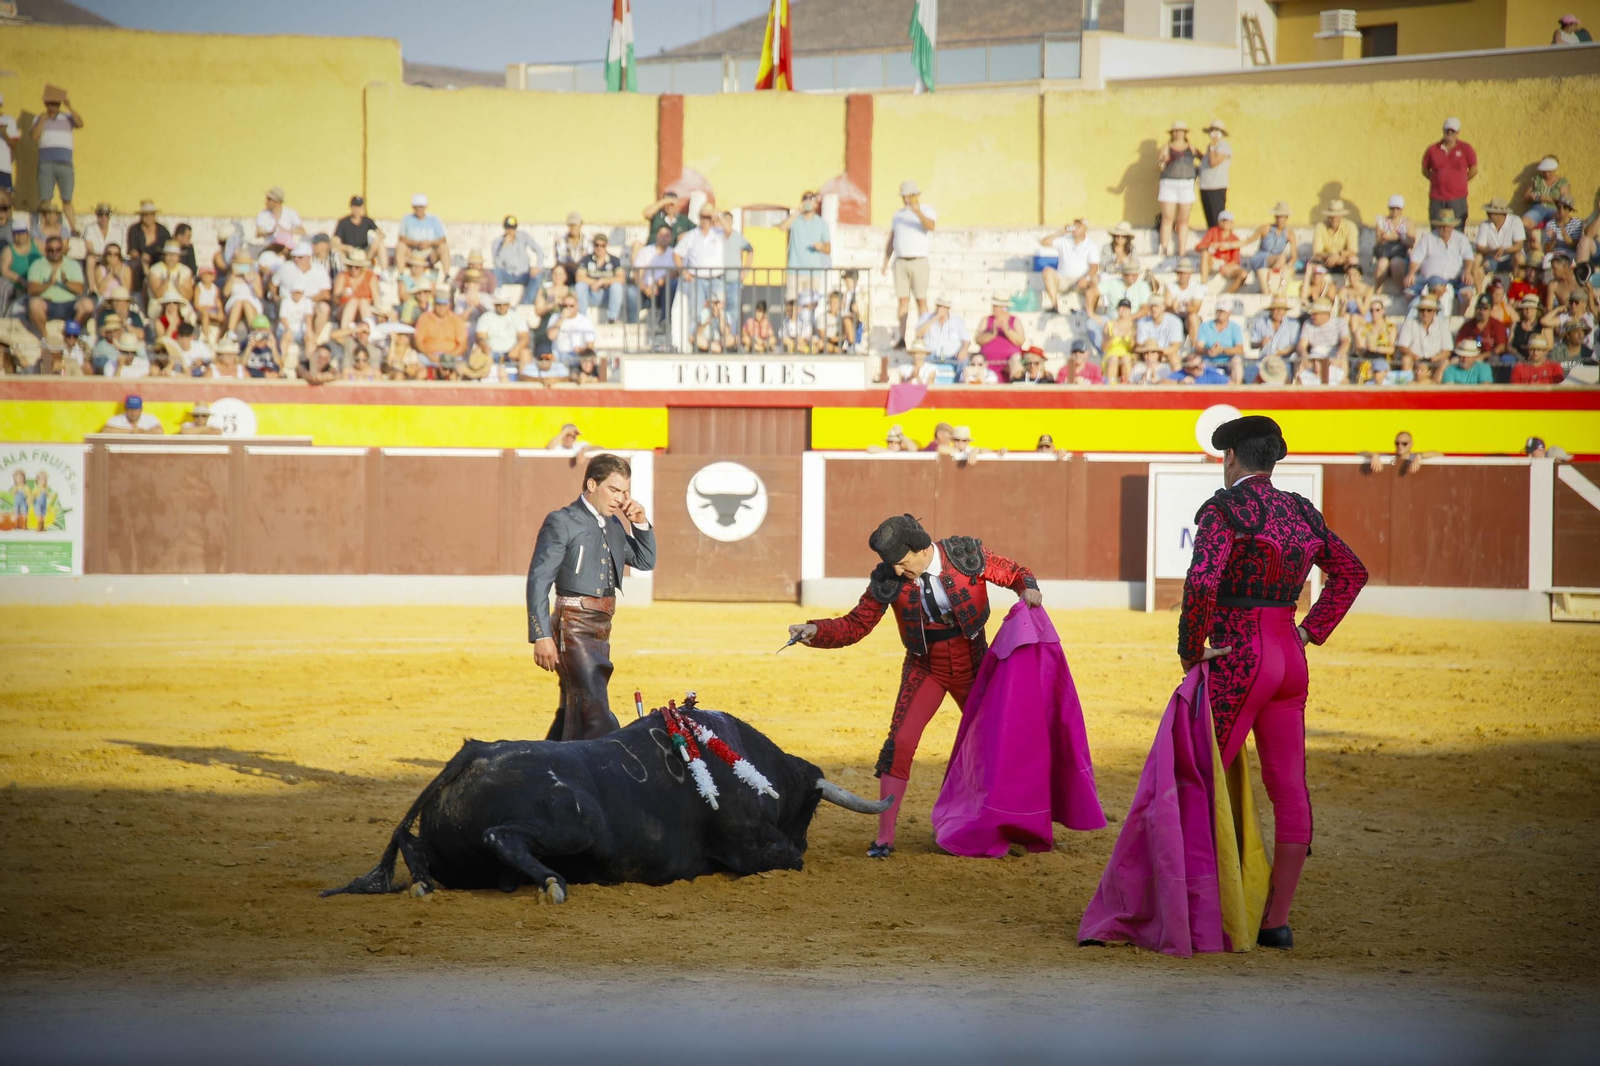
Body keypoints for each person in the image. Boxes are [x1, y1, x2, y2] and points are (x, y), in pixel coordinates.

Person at [1088, 416, 1366, 952]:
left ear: (1233, 456)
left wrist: (1191, 647)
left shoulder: (1224, 509)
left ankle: (1192, 912)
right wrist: (1311, 630)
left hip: (1240, 655)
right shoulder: (1302, 511)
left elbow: (1203, 581)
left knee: (1197, 776)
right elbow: (1351, 571)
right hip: (1289, 652)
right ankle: (1275, 922)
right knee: (1289, 787)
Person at [786, 514, 1042, 858]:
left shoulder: (965, 555)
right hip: (926, 667)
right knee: (900, 743)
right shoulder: (888, 578)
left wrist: (1027, 587)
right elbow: (855, 624)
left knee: (1000, 742)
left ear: (923, 551)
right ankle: (884, 837)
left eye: (903, 563)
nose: (896, 572)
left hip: (976, 664)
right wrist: (815, 630)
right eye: (891, 565)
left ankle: (1018, 823)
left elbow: (1013, 572)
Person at [526, 452, 655, 741]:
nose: (619, 499)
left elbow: (645, 561)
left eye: (624, 492)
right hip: (571, 627)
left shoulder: (613, 524)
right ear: (592, 484)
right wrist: (541, 635)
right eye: (614, 489)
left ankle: (550, 763)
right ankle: (610, 764)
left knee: (574, 706)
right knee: (595, 711)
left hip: (601, 629)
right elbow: (539, 580)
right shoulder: (562, 521)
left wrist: (641, 522)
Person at [882, 179, 936, 347]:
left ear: (916, 195)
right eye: (904, 197)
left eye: (909, 196)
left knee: (921, 300)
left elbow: (931, 226)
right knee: (902, 301)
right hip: (901, 260)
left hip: (919, 260)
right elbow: (892, 238)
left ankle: (923, 337)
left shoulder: (927, 210)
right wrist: (885, 260)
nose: (906, 200)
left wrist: (918, 212)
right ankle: (901, 337)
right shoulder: (898, 215)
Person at [30, 87, 83, 231]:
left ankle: (73, 228)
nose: (53, 106)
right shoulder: (39, 118)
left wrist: (69, 106)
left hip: (65, 163)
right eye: (50, 103)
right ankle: (42, 228)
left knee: (67, 198)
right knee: (45, 198)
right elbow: (34, 137)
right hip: (46, 163)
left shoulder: (67, 117)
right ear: (45, 104)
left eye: (56, 104)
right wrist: (42, 120)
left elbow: (80, 124)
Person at [1156, 120, 1201, 258]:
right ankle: (1164, 248)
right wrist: (1163, 161)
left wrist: (1196, 172)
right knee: (1167, 217)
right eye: (1175, 131)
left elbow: (1204, 160)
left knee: (1183, 219)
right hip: (1169, 182)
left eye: (1180, 130)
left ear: (1184, 133)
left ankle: (1182, 249)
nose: (1177, 133)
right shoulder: (1166, 147)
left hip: (1186, 183)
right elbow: (1159, 167)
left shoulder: (1191, 147)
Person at [1038, 216, 1100, 314]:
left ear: (1085, 229)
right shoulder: (1064, 239)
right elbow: (1043, 242)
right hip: (1063, 280)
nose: (1075, 227)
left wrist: (1086, 278)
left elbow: (1094, 266)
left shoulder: (1091, 244)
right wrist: (1059, 233)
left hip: (1080, 281)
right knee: (1047, 271)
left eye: (1079, 226)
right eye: (1074, 225)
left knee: (1094, 280)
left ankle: (1090, 311)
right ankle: (1054, 305)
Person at [779, 190, 831, 305]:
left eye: (811, 198)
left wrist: (820, 247)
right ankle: (791, 324)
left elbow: (828, 249)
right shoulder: (795, 220)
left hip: (813, 272)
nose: (808, 201)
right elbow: (782, 227)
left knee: (809, 306)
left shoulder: (821, 223)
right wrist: (798, 211)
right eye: (805, 198)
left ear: (815, 203)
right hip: (794, 270)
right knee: (791, 305)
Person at [1422, 117, 1477, 226]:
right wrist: (1437, 180)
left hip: (1458, 198)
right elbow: (1425, 170)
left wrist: (1460, 180)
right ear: (1443, 130)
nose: (1449, 133)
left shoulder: (1466, 149)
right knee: (1436, 229)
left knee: (1458, 229)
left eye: (1452, 130)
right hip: (1437, 198)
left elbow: (1474, 169)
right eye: (1447, 130)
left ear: (1458, 132)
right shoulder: (1432, 149)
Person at [1241, 203, 1296, 296]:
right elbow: (1249, 240)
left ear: (1286, 218)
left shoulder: (1290, 234)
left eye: (1282, 217)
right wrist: (1229, 245)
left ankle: (1268, 288)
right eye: (1278, 216)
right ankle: (1270, 287)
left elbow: (1294, 256)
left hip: (1276, 262)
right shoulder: (1266, 228)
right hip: (1260, 258)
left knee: (1285, 265)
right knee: (1281, 258)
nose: (1279, 219)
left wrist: (1289, 264)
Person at [575, 233, 632, 325]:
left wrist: (602, 281)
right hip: (591, 294)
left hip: (607, 295)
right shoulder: (586, 259)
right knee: (580, 286)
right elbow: (579, 277)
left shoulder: (614, 260)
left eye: (602, 245)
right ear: (593, 245)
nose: (599, 248)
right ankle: (582, 318)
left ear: (607, 245)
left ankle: (612, 318)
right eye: (596, 245)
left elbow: (621, 278)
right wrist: (595, 282)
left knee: (617, 286)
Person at [491, 215, 543, 306]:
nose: (511, 231)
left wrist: (538, 266)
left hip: (524, 273)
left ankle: (525, 304)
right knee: (495, 272)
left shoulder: (523, 236)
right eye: (508, 228)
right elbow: (497, 265)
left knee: (538, 275)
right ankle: (499, 299)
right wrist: (503, 247)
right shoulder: (497, 242)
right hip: (508, 274)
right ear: (504, 228)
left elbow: (539, 250)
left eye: (513, 228)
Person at [1308, 200, 1360, 288]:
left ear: (1341, 216)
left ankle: (1352, 288)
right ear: (1328, 216)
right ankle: (1316, 290)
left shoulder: (1350, 226)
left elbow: (1353, 250)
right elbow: (1317, 252)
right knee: (1312, 266)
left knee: (1353, 260)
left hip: (1343, 261)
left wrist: (1338, 256)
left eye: (1337, 215)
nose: (1334, 218)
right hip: (1326, 261)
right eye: (1331, 216)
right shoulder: (1320, 226)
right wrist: (1330, 256)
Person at [974, 293, 1024, 379]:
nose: (993, 308)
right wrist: (991, 334)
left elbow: (1020, 341)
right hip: (988, 361)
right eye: (993, 306)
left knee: (1017, 360)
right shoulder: (986, 319)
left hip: (1009, 362)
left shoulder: (1014, 320)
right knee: (976, 360)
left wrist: (1006, 329)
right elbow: (978, 339)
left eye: (996, 306)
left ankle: (1016, 384)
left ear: (1004, 308)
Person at [1196, 298, 1247, 383]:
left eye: (1223, 311)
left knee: (1237, 361)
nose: (1220, 313)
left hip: (1228, 361)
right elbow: (1198, 347)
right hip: (1208, 360)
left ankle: (1237, 388)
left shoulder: (1235, 328)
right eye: (1218, 311)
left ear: (1229, 313)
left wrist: (1222, 350)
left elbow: (1240, 349)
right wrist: (1210, 351)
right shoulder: (1205, 326)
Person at [1196, 211, 1248, 292]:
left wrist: (1227, 266)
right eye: (1223, 220)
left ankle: (1228, 294)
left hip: (1227, 263)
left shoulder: (1235, 238)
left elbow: (1235, 259)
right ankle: (1203, 284)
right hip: (1213, 261)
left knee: (1243, 274)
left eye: (1227, 221)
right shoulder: (1213, 231)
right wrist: (1211, 245)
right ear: (1218, 222)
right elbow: (1199, 246)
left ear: (1231, 223)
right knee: (1205, 254)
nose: (1225, 223)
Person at [395, 193, 448, 271]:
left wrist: (429, 243)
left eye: (421, 206)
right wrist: (417, 243)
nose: (419, 209)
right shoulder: (407, 219)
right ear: (413, 207)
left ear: (425, 207)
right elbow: (401, 238)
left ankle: (446, 275)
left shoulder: (433, 220)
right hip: (412, 252)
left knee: (444, 247)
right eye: (416, 207)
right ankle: (401, 274)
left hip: (429, 254)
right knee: (400, 246)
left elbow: (443, 239)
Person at [333, 195, 385, 273]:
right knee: (336, 249)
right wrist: (345, 247)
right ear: (351, 207)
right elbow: (334, 241)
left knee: (379, 244)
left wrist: (376, 240)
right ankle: (343, 272)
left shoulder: (367, 221)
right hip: (349, 252)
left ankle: (384, 271)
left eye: (359, 207)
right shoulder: (343, 222)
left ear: (362, 208)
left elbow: (381, 234)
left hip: (365, 253)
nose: (356, 209)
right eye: (355, 206)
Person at [1197, 119, 1231, 230]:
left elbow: (1213, 162)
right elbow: (1205, 163)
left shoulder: (1223, 146)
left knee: (1217, 218)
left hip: (1216, 187)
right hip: (1205, 186)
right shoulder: (1210, 148)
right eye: (1211, 130)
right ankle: (1211, 239)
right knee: (1210, 219)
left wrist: (1212, 147)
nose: (1212, 132)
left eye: (1215, 130)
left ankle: (1219, 241)